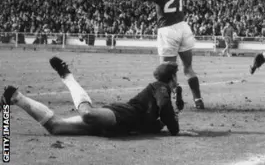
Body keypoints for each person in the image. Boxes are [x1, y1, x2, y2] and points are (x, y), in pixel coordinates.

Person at [114, 0, 204, 109]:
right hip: (183, 28)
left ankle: (172, 95)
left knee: (166, 71)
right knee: (188, 68)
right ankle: (198, 100)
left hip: (167, 31)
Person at [1, 57, 180, 136]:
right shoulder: (160, 87)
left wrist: (165, 123)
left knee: (56, 127)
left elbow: (151, 126)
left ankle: (16, 97)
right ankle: (67, 76)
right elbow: (164, 106)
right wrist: (175, 128)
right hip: (123, 115)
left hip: (119, 129)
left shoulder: (163, 92)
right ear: (172, 77)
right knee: (88, 114)